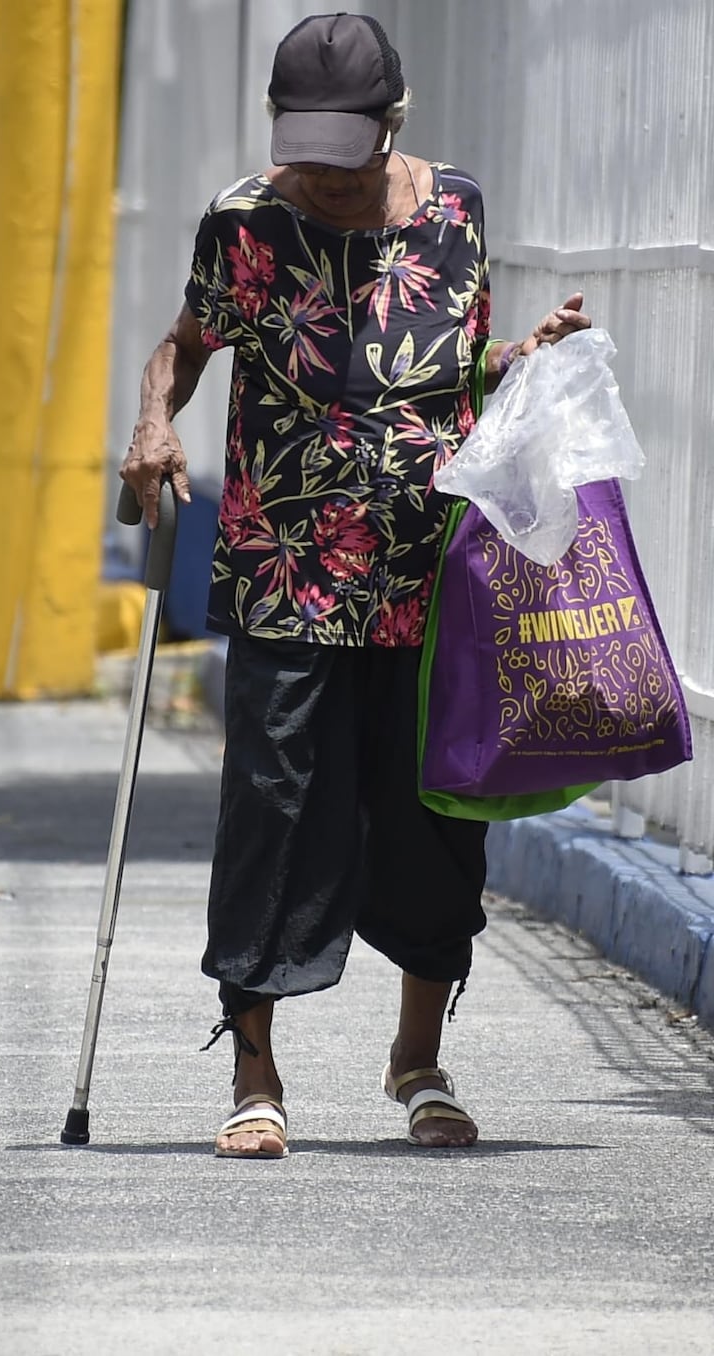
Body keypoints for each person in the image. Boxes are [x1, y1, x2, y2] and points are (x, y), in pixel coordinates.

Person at [121, 13, 591, 1158]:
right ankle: (254, 1073)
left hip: (430, 574)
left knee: (435, 817)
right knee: (272, 809)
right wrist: (149, 427)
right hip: (285, 569)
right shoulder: (244, 222)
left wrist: (517, 361)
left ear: (395, 123)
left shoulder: (457, 212)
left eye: (346, 152)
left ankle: (418, 1061)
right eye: (303, 150)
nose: (320, 178)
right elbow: (185, 345)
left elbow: (455, 369)